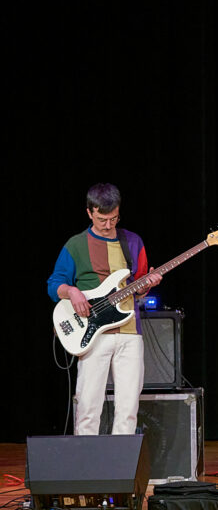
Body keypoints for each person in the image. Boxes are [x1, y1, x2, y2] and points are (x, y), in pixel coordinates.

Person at [47, 183, 161, 435]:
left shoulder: (133, 241)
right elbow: (54, 284)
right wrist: (72, 291)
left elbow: (139, 285)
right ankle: (85, 469)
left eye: (113, 218)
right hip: (92, 334)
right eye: (101, 219)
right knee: (88, 406)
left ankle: (123, 469)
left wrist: (147, 285)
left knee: (128, 407)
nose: (108, 225)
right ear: (89, 212)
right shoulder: (75, 245)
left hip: (130, 332)